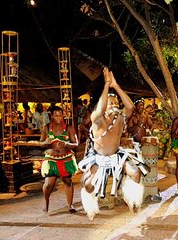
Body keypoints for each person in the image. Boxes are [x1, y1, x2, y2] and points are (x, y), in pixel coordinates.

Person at [78, 67, 148, 220]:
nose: (115, 105)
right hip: (98, 159)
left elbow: (130, 107)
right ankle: (91, 206)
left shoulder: (120, 118)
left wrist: (115, 86)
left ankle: (132, 200)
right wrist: (106, 84)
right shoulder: (97, 119)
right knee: (88, 184)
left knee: (136, 173)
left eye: (116, 103)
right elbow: (101, 107)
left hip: (117, 157)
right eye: (111, 103)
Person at [39, 106, 79, 214]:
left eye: (60, 115)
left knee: (68, 181)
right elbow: (40, 143)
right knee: (48, 184)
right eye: (56, 115)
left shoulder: (68, 128)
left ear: (63, 115)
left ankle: (70, 205)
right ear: (52, 116)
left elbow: (76, 144)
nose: (58, 117)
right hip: (51, 159)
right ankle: (46, 201)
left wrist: (67, 144)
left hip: (65, 158)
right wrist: (46, 142)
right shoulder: (47, 128)